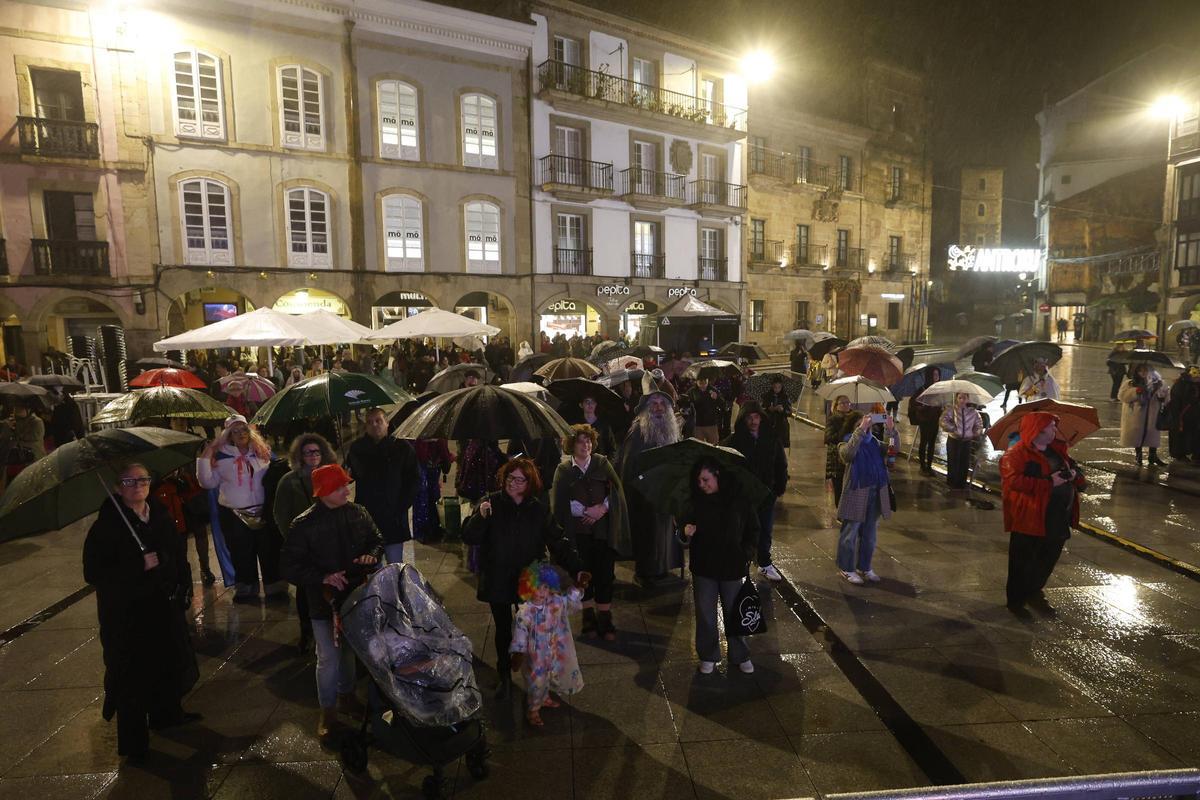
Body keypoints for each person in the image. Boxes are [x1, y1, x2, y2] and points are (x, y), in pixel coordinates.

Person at [83, 462, 201, 762]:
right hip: (127, 614)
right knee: (132, 675)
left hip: (162, 604)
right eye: (129, 481)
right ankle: (134, 743)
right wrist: (138, 565)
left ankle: (166, 714)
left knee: (167, 659)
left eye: (143, 479)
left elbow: (176, 553)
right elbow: (93, 572)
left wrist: (183, 583)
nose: (138, 485)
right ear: (118, 487)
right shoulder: (107, 526)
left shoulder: (159, 514)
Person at [461, 458, 585, 700]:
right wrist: (480, 516)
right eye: (509, 478)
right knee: (503, 629)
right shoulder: (491, 503)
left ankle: (537, 673)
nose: (513, 484)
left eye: (519, 480)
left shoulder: (538, 508)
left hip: (528, 579)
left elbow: (557, 540)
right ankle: (504, 675)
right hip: (497, 575)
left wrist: (577, 567)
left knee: (533, 629)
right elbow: (469, 536)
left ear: (529, 483)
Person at [280, 464, 382, 738]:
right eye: (339, 487)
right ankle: (328, 712)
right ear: (323, 492)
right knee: (327, 657)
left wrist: (370, 556)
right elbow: (290, 566)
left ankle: (347, 697)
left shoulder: (357, 513)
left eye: (346, 485)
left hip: (357, 597)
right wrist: (323, 577)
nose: (346, 490)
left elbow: (376, 540)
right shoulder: (304, 524)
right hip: (323, 603)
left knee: (349, 651)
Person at [678, 457, 759, 675]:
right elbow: (681, 527)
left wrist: (747, 553)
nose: (702, 485)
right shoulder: (695, 502)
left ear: (718, 476)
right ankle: (708, 655)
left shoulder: (739, 500)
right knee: (705, 613)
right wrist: (685, 532)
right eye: (699, 481)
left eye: (706, 480)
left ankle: (740, 654)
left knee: (735, 612)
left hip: (732, 566)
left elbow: (753, 529)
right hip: (704, 566)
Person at [1000, 413, 1085, 616]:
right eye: (1050, 428)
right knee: (1022, 561)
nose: (1054, 431)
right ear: (1036, 431)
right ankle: (1016, 601)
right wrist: (1050, 483)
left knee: (1048, 558)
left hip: (1058, 516)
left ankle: (1034, 592)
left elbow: (1077, 473)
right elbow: (1013, 483)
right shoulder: (1015, 454)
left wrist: (1075, 477)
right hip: (1030, 518)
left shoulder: (1058, 451)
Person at [551, 424, 630, 641]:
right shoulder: (564, 471)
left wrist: (602, 508)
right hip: (578, 534)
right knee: (583, 574)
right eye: (580, 441)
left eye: (588, 441)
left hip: (603, 532)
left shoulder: (602, 463)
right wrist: (582, 510)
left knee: (605, 574)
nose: (585, 445)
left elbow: (617, 490)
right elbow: (558, 504)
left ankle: (605, 618)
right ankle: (588, 618)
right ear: (571, 445)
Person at [196, 415, 278, 603]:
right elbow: (207, 483)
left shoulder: (262, 452)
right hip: (234, 515)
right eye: (235, 431)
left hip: (263, 511)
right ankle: (246, 590)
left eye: (243, 430)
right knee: (241, 554)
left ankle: (275, 588)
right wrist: (207, 454)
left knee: (269, 552)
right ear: (228, 435)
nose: (240, 434)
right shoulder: (221, 456)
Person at [273, 433, 338, 654]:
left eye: (317, 452)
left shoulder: (331, 476)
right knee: (305, 591)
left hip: (329, 545)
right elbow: (280, 514)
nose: (313, 456)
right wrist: (294, 542)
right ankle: (307, 631)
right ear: (300, 455)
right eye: (308, 452)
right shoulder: (289, 481)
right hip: (304, 548)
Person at [616, 391, 683, 587]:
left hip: (664, 491)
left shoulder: (670, 430)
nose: (658, 407)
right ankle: (647, 572)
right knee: (648, 532)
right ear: (646, 409)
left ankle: (662, 568)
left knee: (664, 531)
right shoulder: (638, 430)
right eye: (654, 404)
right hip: (643, 493)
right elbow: (628, 464)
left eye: (662, 404)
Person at [509, 562, 586, 727]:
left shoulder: (554, 602)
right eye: (537, 587)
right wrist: (518, 653)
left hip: (552, 651)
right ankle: (533, 710)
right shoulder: (525, 612)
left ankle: (544, 699)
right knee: (536, 682)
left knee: (548, 676)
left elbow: (569, 600)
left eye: (545, 587)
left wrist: (578, 587)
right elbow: (520, 635)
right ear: (528, 589)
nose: (542, 592)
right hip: (534, 657)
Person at [345, 407, 420, 564]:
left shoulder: (402, 447)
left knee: (394, 565)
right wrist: (345, 474)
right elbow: (348, 476)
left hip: (393, 515)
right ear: (365, 427)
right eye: (370, 422)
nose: (375, 425)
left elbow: (414, 479)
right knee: (373, 567)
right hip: (368, 515)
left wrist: (402, 505)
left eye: (378, 421)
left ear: (387, 423)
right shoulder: (357, 448)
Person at [723, 402, 787, 581]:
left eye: (756, 417)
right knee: (743, 529)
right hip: (744, 495)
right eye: (749, 418)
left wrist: (779, 486)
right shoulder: (735, 440)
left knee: (765, 529)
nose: (753, 421)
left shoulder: (771, 438)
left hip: (766, 492)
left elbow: (780, 463)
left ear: (761, 418)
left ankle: (764, 563)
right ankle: (741, 562)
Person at [836, 411, 895, 585]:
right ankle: (846, 568)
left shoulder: (876, 443)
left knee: (870, 534)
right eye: (861, 424)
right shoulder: (845, 442)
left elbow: (893, 450)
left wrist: (891, 431)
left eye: (868, 424)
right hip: (856, 492)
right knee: (850, 533)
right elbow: (848, 455)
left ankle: (864, 566)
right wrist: (860, 430)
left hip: (876, 491)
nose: (866, 428)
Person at [1119, 364, 1169, 466]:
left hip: (1153, 413)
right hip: (1136, 414)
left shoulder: (1158, 383)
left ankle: (1153, 456)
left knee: (1153, 434)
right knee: (1138, 434)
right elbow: (1122, 396)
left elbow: (1166, 397)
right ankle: (1138, 454)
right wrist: (1135, 391)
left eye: (1145, 371)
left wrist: (1162, 395)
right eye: (1140, 371)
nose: (1143, 373)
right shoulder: (1130, 383)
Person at [941, 393, 983, 489]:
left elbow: (979, 424)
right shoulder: (951, 410)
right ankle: (951, 482)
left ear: (968, 399)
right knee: (953, 462)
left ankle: (961, 483)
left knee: (964, 462)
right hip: (954, 440)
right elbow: (943, 421)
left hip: (966, 441)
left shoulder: (973, 412)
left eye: (964, 398)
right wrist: (953, 428)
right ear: (956, 398)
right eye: (960, 398)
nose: (962, 400)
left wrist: (975, 433)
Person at [908, 366, 943, 476]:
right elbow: (913, 402)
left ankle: (929, 466)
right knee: (924, 442)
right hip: (925, 420)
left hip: (935, 420)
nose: (936, 377)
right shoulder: (923, 389)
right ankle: (923, 466)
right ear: (929, 376)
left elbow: (940, 403)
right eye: (934, 374)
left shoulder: (939, 389)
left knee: (932, 443)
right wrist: (923, 407)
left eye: (938, 375)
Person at [825, 395, 855, 507]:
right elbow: (828, 438)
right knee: (839, 487)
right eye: (842, 403)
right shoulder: (833, 419)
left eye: (847, 402)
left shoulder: (855, 418)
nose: (846, 405)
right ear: (836, 406)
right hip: (837, 458)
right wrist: (845, 432)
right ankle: (840, 511)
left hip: (851, 457)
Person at [1168, 367, 1200, 461]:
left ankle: (1196, 453)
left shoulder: (1197, 385)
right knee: (1181, 435)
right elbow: (1176, 401)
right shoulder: (1180, 385)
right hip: (1182, 415)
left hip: (1196, 415)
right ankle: (1180, 454)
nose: (1198, 377)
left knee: (1196, 435)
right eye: (1196, 375)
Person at [688, 376, 723, 444]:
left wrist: (717, 398)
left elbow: (722, 404)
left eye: (704, 380)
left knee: (714, 447)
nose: (702, 382)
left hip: (711, 424)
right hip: (697, 425)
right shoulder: (692, 391)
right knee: (698, 447)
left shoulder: (713, 390)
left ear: (707, 380)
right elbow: (686, 404)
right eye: (700, 380)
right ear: (696, 381)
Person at [761, 375, 792, 448]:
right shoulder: (767, 396)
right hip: (769, 423)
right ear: (772, 386)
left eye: (779, 387)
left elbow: (789, 412)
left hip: (781, 425)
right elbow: (762, 409)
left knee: (780, 446)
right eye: (775, 387)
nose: (777, 389)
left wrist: (783, 410)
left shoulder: (785, 397)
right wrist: (769, 409)